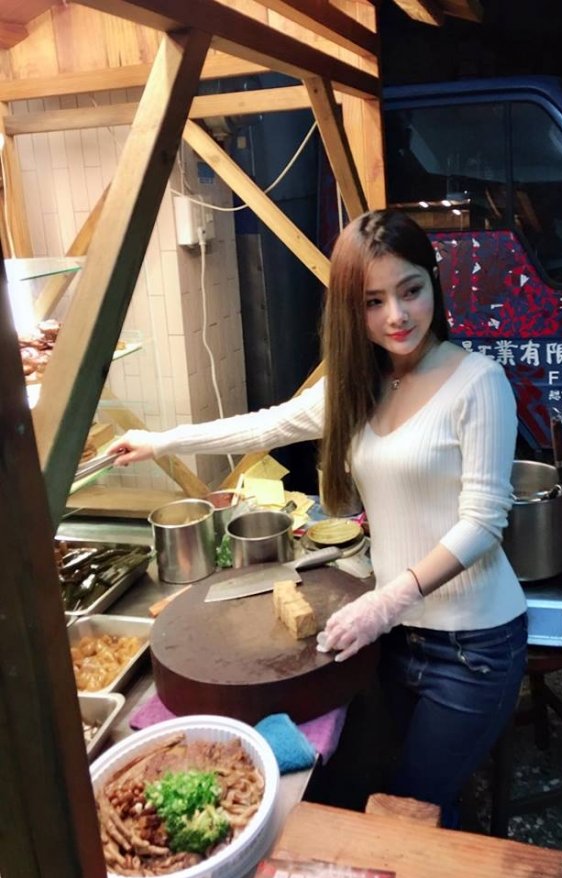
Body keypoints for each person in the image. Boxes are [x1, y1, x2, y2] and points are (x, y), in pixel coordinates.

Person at [109, 209, 527, 827]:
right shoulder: (358, 386)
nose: (397, 316)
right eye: (373, 302)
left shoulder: (478, 383)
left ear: (433, 282)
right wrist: (161, 441)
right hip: (396, 638)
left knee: (411, 802)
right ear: (351, 311)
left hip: (474, 646)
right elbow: (266, 425)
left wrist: (386, 600)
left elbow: (485, 522)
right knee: (410, 792)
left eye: (410, 290)